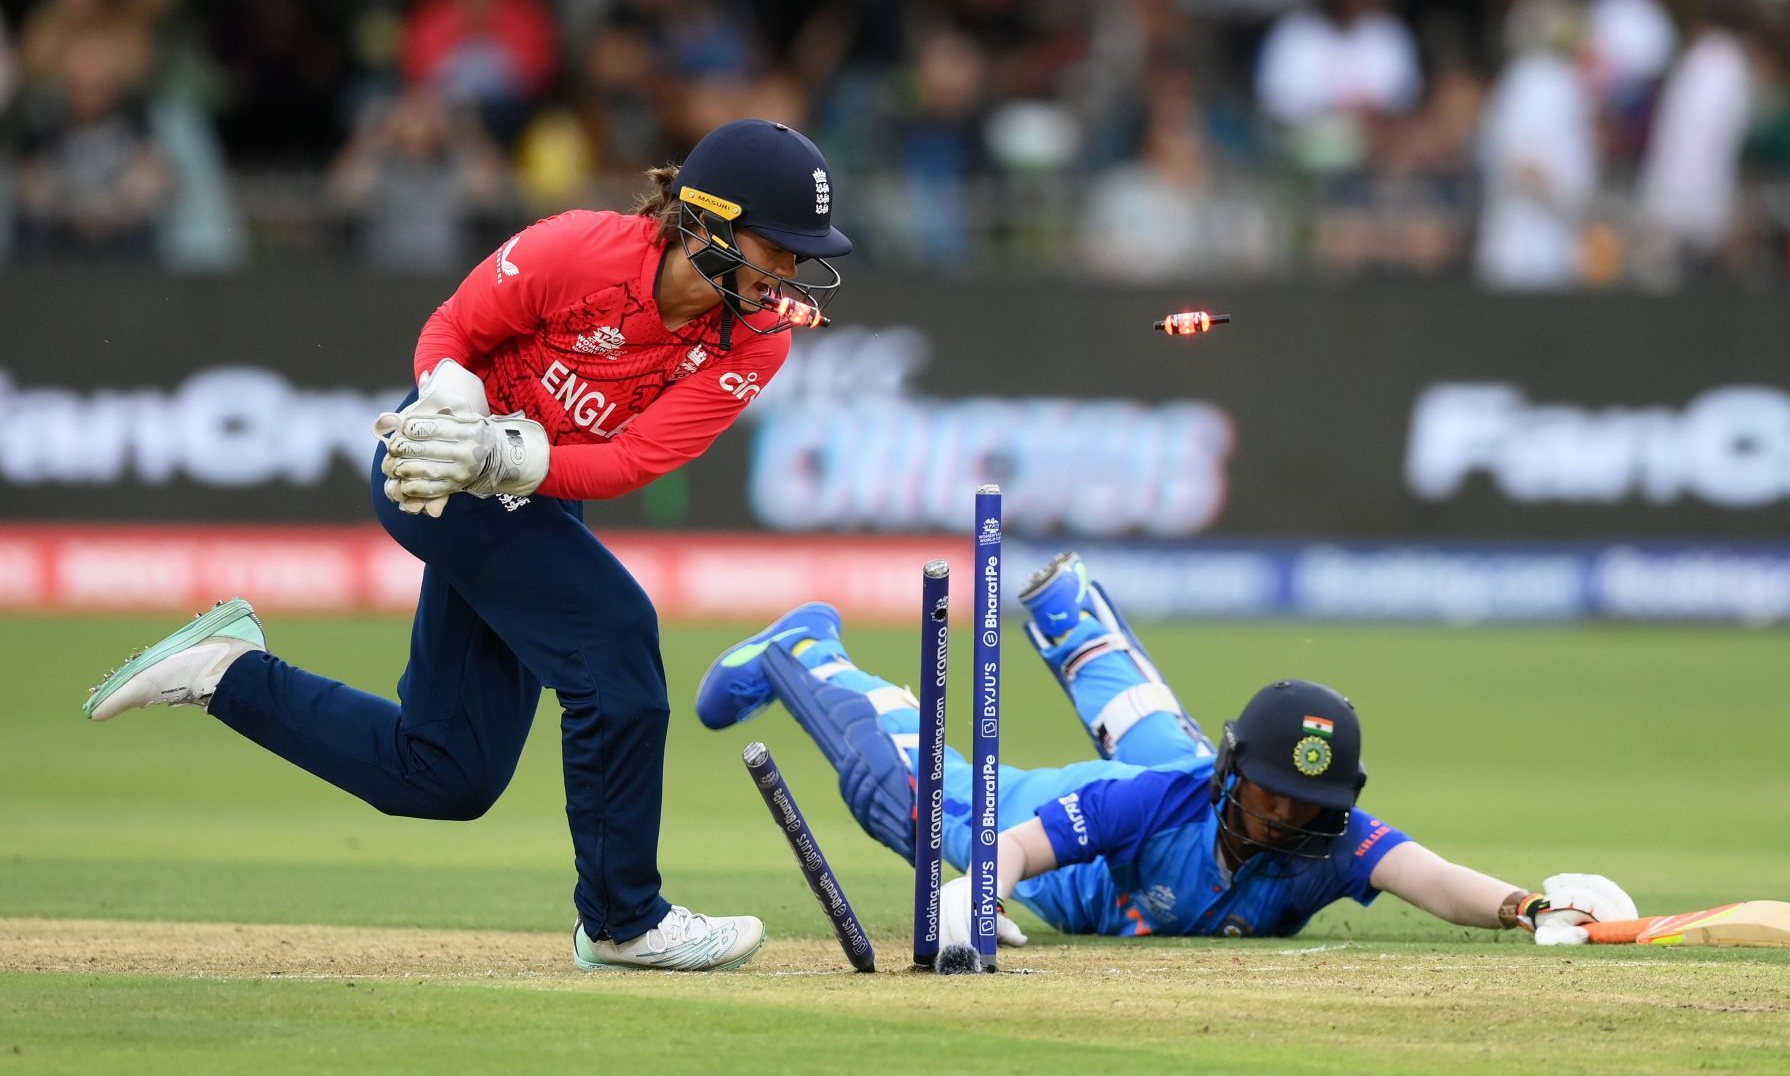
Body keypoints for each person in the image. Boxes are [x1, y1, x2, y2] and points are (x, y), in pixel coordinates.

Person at [80, 118, 853, 972]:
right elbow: (451, 330)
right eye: (775, 247)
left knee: (445, 772)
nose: (788, 272)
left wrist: (513, 458)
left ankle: (225, 671)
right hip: (432, 469)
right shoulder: (580, 251)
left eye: (799, 254)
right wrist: (456, 406)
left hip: (527, 491)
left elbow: (635, 457)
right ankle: (622, 918)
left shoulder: (757, 338)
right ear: (705, 223)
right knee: (616, 637)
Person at [695, 552, 1637, 949]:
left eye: (1305, 805)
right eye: (1268, 795)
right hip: (1089, 855)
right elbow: (1019, 847)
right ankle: (807, 649)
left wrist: (1526, 905)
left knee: (1157, 733)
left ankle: (1071, 613)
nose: (1285, 817)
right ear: (1237, 779)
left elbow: (1431, 878)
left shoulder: (1325, 837)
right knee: (916, 805)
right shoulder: (1165, 799)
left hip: (1175, 777)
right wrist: (972, 894)